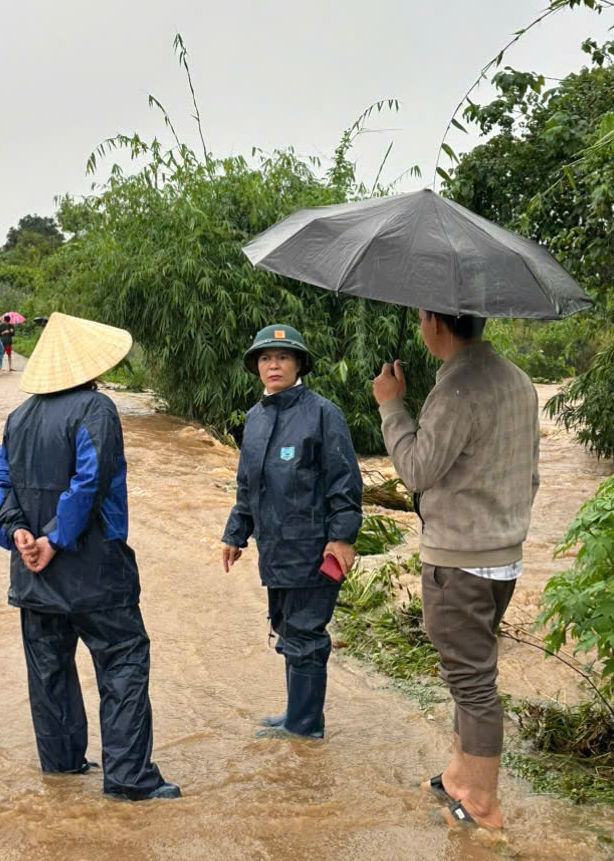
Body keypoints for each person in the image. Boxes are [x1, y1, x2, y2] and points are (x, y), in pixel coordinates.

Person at [0, 311, 180, 801]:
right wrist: (53, 539)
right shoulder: (96, 409)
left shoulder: (19, 417)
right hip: (94, 571)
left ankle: (62, 768)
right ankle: (129, 780)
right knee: (123, 662)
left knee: (49, 672)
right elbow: (89, 482)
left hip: (32, 576)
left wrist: (20, 534)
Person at [372, 311, 540, 831]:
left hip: (461, 561)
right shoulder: (518, 380)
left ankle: (484, 804)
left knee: (471, 683)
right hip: (503, 554)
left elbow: (417, 469)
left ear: (436, 324)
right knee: (469, 672)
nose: (422, 327)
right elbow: (530, 470)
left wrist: (390, 406)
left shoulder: (458, 389)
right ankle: (458, 776)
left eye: (423, 317)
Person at [221, 324, 363, 739]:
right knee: (286, 626)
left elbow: (345, 483)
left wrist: (341, 538)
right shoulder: (255, 417)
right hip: (275, 547)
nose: (273, 365)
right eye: (265, 358)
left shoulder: (323, 413)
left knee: (305, 632)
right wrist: (235, 534)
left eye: (282, 357)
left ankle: (305, 728)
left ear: (299, 363)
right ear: (257, 367)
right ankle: (296, 715)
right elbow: (248, 485)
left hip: (314, 547)